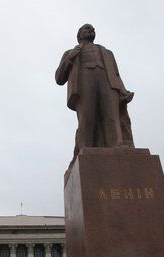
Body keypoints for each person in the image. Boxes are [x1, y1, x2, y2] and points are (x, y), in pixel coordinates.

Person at [55, 24, 134, 161]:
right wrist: (71, 57)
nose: (91, 30)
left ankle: (117, 145)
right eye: (87, 28)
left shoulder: (107, 52)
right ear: (79, 35)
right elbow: (59, 78)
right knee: (87, 117)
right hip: (84, 81)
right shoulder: (70, 52)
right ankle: (85, 149)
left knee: (111, 115)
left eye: (93, 29)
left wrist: (122, 89)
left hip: (108, 82)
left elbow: (116, 74)